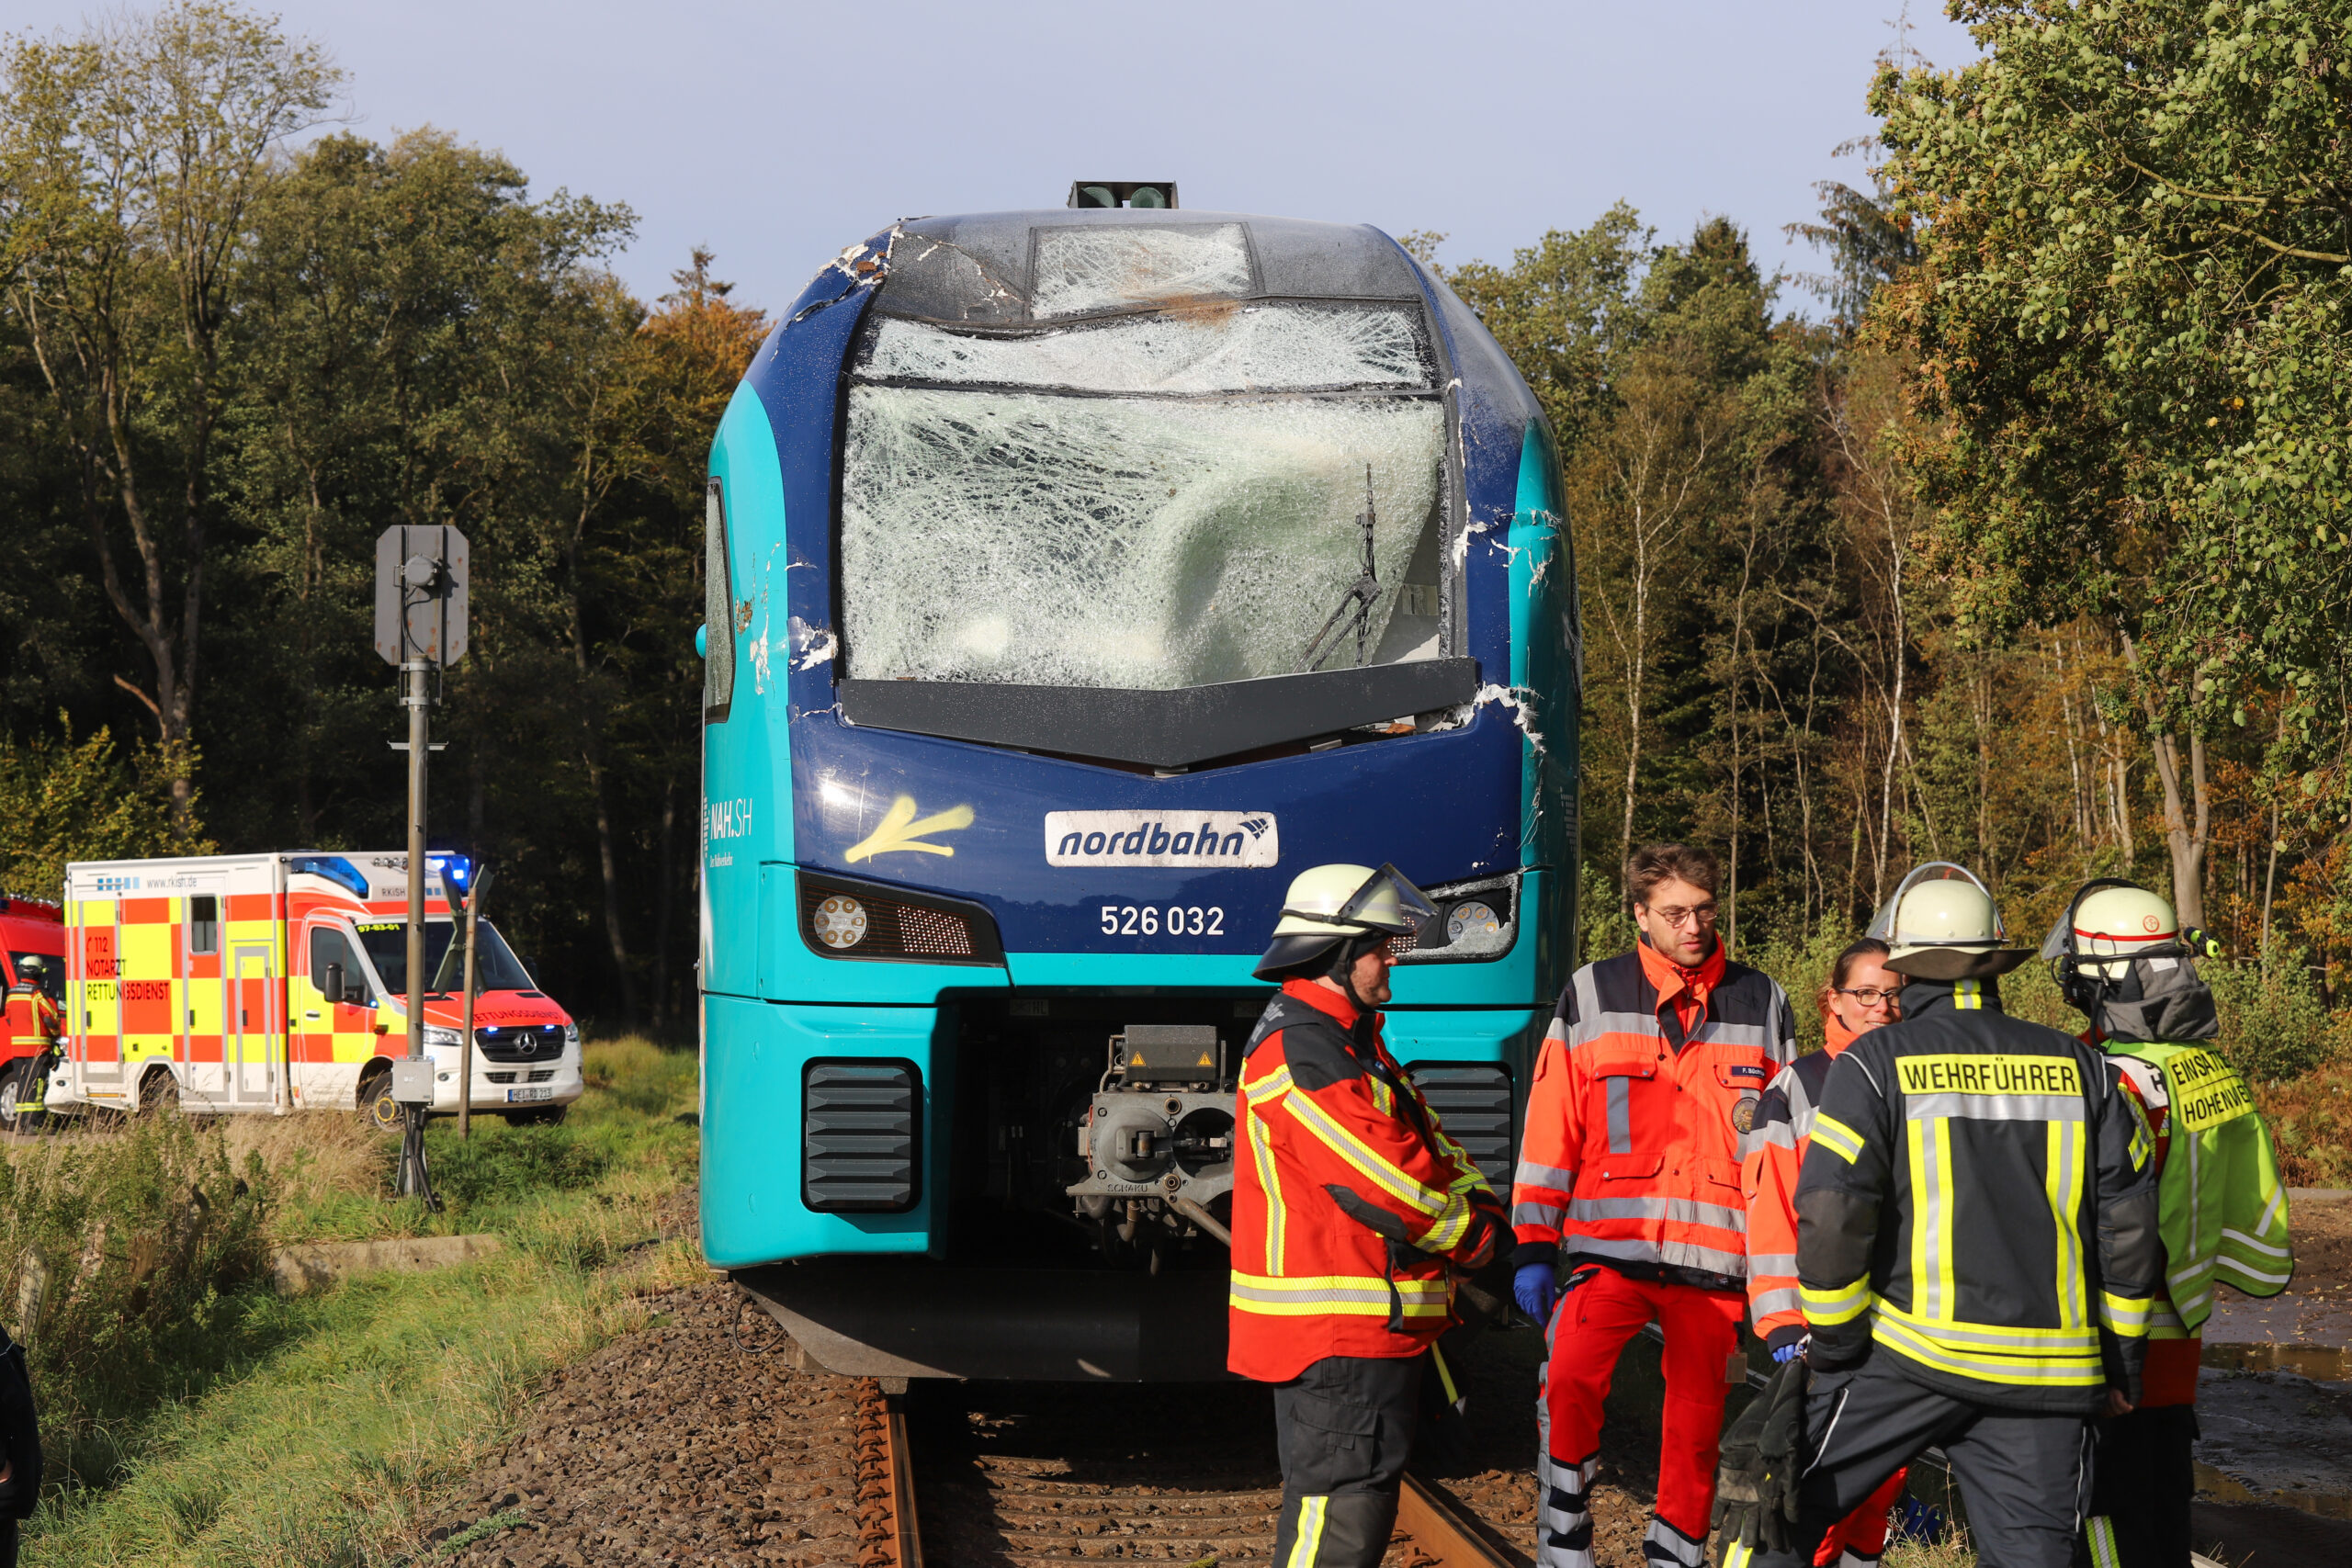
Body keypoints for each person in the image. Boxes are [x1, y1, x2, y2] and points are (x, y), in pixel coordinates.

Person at [1717, 863, 2162, 1568]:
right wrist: (2120, 1365)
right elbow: (2132, 1230)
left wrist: (1831, 1347)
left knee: (1777, 1510)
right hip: (2046, 1377)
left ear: (1905, 963)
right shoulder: (2086, 1070)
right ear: (1994, 961)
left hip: (1903, 1359)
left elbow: (1832, 1214)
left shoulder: (1872, 1064)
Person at [1511, 843, 1796, 1568]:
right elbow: (1553, 1125)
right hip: (1612, 1248)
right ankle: (1564, 1537)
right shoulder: (1593, 992)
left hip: (1716, 1261)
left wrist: (1783, 1280)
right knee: (1570, 1376)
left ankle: (1676, 1555)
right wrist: (1535, 1242)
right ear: (1640, 915)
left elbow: (1784, 1149)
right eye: (1675, 913)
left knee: (1697, 1430)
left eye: (1704, 910)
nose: (1694, 926)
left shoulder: (1761, 1000)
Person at [1229, 862, 1508, 1568]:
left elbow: (1426, 1143)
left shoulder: (1349, 1038)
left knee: (1349, 1513)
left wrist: (1483, 1206)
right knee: (1337, 1526)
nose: (1393, 957)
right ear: (1337, 952)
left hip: (1365, 1328)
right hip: (1338, 1337)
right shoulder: (1306, 1049)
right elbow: (1383, 1183)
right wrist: (1478, 1242)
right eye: (1382, 944)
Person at [2043, 882, 2293, 1568]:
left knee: (2103, 1521)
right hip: (2179, 1335)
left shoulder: (2111, 1079)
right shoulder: (2208, 1066)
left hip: (2112, 1342)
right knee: (2159, 1513)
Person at [1740, 938, 1911, 1568]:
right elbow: (1771, 1209)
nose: (1882, 1008)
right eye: (1866, 993)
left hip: (1900, 1325)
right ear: (1831, 999)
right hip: (1822, 1330)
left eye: (1893, 995)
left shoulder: (1915, 1074)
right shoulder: (1800, 1086)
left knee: (1882, 1488)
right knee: (1817, 1490)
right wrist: (1783, 1319)